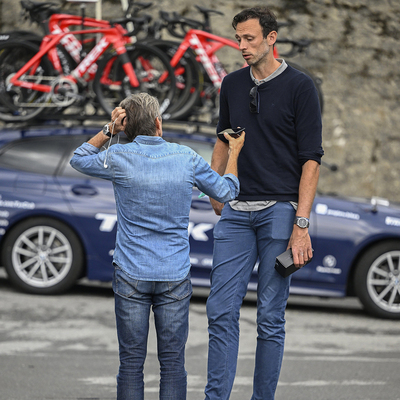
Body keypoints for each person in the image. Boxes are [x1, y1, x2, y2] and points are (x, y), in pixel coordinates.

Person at [69, 93, 245, 400]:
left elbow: (79, 158)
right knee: (173, 365)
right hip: (174, 274)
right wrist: (234, 152)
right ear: (158, 124)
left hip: (130, 273)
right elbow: (227, 191)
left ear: (127, 127)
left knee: (131, 364)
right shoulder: (186, 157)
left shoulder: (119, 157)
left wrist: (109, 130)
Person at [204, 7, 324, 400]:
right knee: (220, 312)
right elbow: (223, 139)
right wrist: (214, 187)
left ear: (271, 38)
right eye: (238, 38)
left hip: (280, 212)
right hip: (236, 212)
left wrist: (301, 224)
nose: (241, 46)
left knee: (270, 318)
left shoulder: (300, 87)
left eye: (249, 38)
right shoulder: (232, 84)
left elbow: (311, 159)